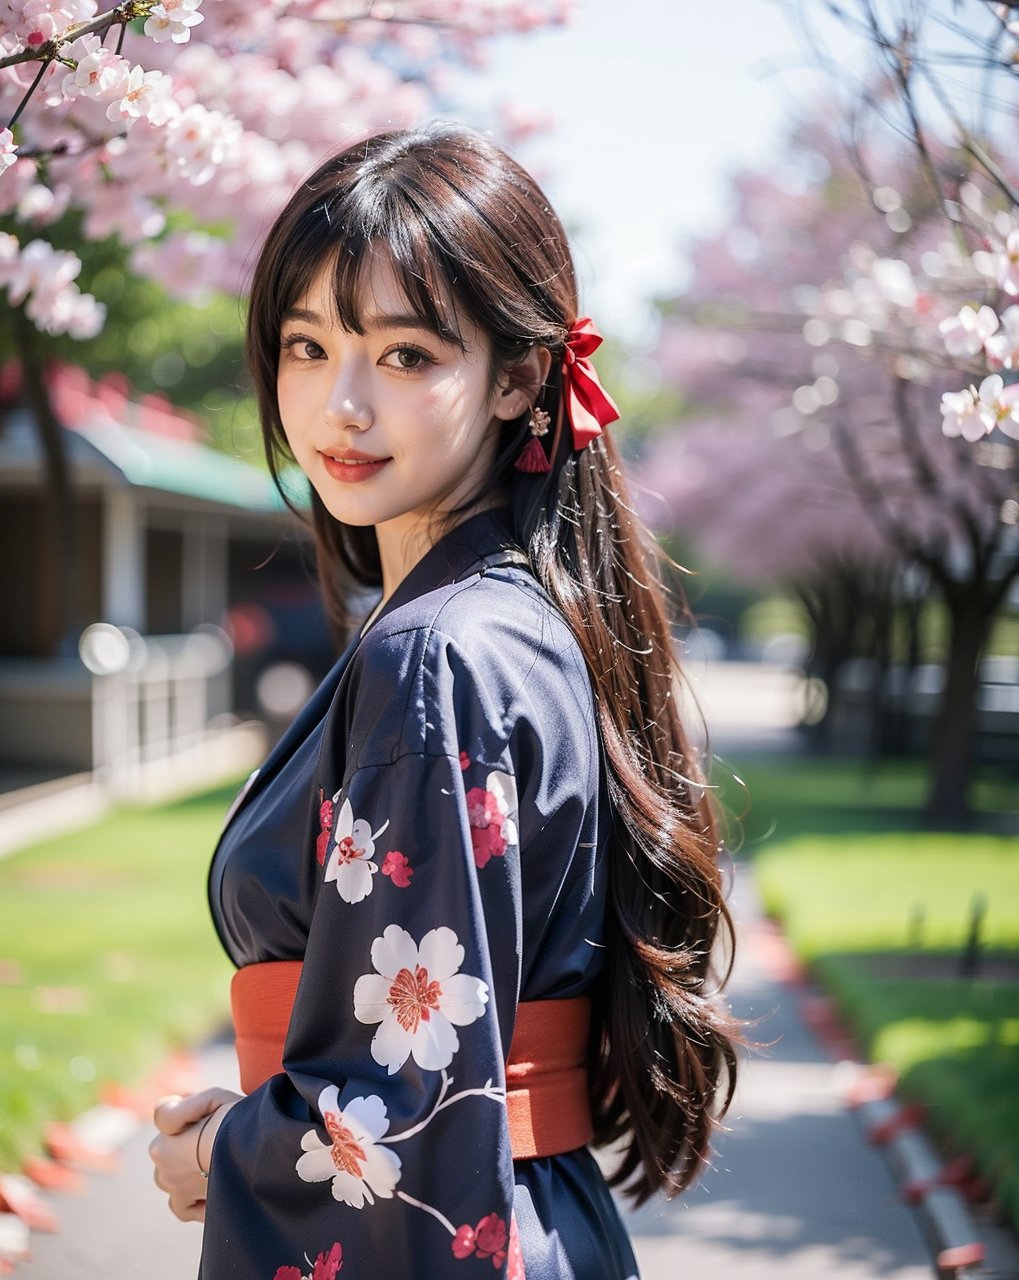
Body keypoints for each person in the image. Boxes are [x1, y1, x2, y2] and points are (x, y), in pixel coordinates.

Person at [149, 122, 737, 1280]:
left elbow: (405, 1102)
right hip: (527, 1210)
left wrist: (226, 1145)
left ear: (521, 374)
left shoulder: (438, 654)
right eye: (307, 347)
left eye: (406, 354)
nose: (340, 407)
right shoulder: (522, 617)